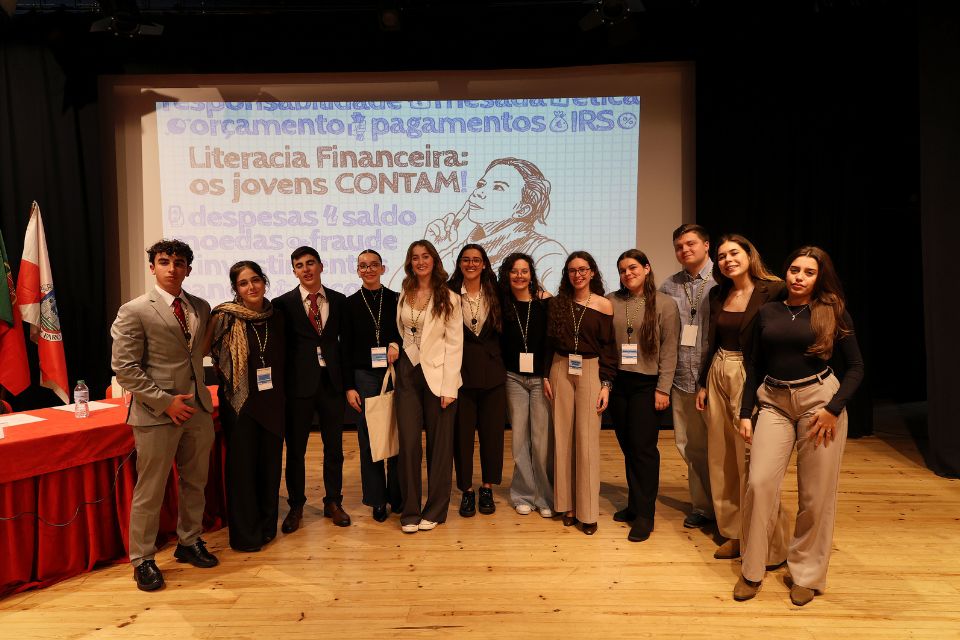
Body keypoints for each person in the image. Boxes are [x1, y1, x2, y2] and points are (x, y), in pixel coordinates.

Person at [732, 246, 864, 606]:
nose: (799, 276)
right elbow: (754, 366)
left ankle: (806, 574)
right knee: (759, 484)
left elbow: (855, 368)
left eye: (808, 272)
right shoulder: (768, 312)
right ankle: (752, 569)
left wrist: (833, 409)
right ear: (786, 272)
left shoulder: (832, 311)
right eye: (794, 269)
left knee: (815, 495)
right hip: (773, 401)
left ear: (819, 278)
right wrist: (747, 411)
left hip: (819, 404)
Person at [111, 239, 218, 592]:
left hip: (199, 410)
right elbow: (124, 369)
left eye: (179, 262)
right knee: (151, 488)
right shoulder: (134, 309)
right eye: (164, 261)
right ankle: (142, 559)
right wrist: (165, 402)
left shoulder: (201, 307)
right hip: (157, 414)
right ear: (152, 267)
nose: (172, 268)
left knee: (195, 481)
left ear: (188, 268)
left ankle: (189, 542)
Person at [695, 234, 791, 562]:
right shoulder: (719, 293)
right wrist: (703, 382)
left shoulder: (774, 289)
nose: (727, 260)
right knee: (722, 460)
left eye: (733, 253)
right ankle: (734, 533)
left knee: (752, 460)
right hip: (719, 369)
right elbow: (711, 340)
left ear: (749, 254)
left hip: (751, 376)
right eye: (721, 256)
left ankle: (768, 542)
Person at [208, 261, 285, 552]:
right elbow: (206, 351)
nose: (251, 287)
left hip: (273, 403)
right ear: (235, 289)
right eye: (243, 283)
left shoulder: (278, 316)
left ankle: (267, 527)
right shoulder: (225, 317)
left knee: (269, 468)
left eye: (255, 280)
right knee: (242, 472)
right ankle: (246, 536)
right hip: (240, 405)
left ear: (264, 281)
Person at [273, 246, 350, 533]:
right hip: (298, 387)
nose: (305, 269)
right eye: (299, 265)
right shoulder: (282, 304)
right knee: (296, 450)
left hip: (331, 384)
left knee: (334, 448)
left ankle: (333, 501)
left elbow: (347, 345)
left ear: (321, 265)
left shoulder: (340, 301)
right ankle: (296, 505)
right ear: (294, 271)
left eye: (310, 263)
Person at [606, 249, 680, 542]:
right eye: (622, 270)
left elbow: (670, 349)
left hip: (647, 385)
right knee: (628, 447)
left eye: (633, 267)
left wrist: (664, 388)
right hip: (619, 383)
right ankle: (635, 505)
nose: (628, 274)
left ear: (647, 268)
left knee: (644, 450)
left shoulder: (664, 304)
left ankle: (646, 515)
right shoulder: (611, 301)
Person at [543, 251, 617, 535]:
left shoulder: (603, 305)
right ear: (567, 274)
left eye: (583, 269)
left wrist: (606, 385)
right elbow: (549, 342)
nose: (578, 275)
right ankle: (567, 506)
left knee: (587, 442)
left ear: (593, 272)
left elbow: (609, 348)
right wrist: (546, 375)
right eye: (572, 270)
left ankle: (587, 512)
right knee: (562, 438)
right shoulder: (558, 304)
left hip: (590, 370)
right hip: (560, 368)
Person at [394, 240, 464, 533]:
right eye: (415, 257)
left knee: (439, 446)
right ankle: (409, 510)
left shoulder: (449, 297)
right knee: (408, 444)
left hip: (440, 378)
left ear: (434, 260)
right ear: (410, 262)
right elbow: (402, 330)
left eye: (425, 257)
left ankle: (435, 510)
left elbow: (454, 344)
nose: (420, 261)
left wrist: (450, 387)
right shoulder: (405, 292)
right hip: (407, 373)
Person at [422, 157, 568, 292]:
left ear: (522, 210)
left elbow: (557, 308)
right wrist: (434, 250)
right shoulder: (462, 252)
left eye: (498, 187)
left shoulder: (546, 252)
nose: (479, 192)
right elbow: (417, 291)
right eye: (481, 184)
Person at [658, 224, 716, 529]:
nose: (684, 250)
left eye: (690, 244)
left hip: (717, 379)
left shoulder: (723, 280)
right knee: (690, 446)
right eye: (679, 246)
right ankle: (704, 507)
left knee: (722, 447)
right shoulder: (669, 286)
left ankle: (729, 507)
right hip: (682, 378)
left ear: (707, 245)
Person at [342, 249, 403, 522]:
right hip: (364, 376)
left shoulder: (396, 300)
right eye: (363, 266)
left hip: (394, 374)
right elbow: (344, 348)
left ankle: (398, 495)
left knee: (397, 434)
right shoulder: (349, 304)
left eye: (373, 265)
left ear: (383, 268)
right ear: (357, 271)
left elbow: (407, 332)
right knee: (370, 439)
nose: (368, 270)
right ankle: (377, 499)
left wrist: (395, 343)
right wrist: (348, 386)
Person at [448, 244, 507, 517]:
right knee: (462, 438)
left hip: (493, 375)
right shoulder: (447, 293)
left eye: (476, 260)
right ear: (459, 264)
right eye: (466, 260)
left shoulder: (497, 292)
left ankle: (486, 487)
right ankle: (467, 491)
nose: (471, 264)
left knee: (492, 436)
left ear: (484, 264)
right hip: (460, 376)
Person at [498, 253, 554, 518]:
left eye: (524, 271)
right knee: (519, 438)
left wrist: (548, 374)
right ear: (506, 274)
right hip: (513, 379)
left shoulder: (545, 303)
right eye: (514, 271)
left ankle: (545, 496)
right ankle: (523, 493)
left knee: (541, 440)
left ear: (531, 274)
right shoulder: (501, 303)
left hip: (541, 379)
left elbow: (552, 344)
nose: (519, 276)